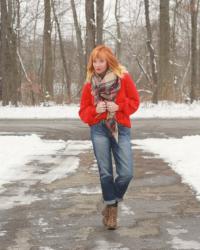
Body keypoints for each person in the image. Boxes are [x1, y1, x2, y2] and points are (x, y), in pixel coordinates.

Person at [79, 45, 140, 230]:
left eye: (101, 61)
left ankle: (109, 200)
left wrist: (119, 106)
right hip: (98, 129)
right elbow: (83, 112)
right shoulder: (89, 84)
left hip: (120, 128)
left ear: (109, 61)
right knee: (105, 172)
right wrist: (94, 110)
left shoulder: (123, 78)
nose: (97, 65)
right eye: (95, 61)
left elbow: (135, 101)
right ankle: (112, 211)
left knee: (126, 173)